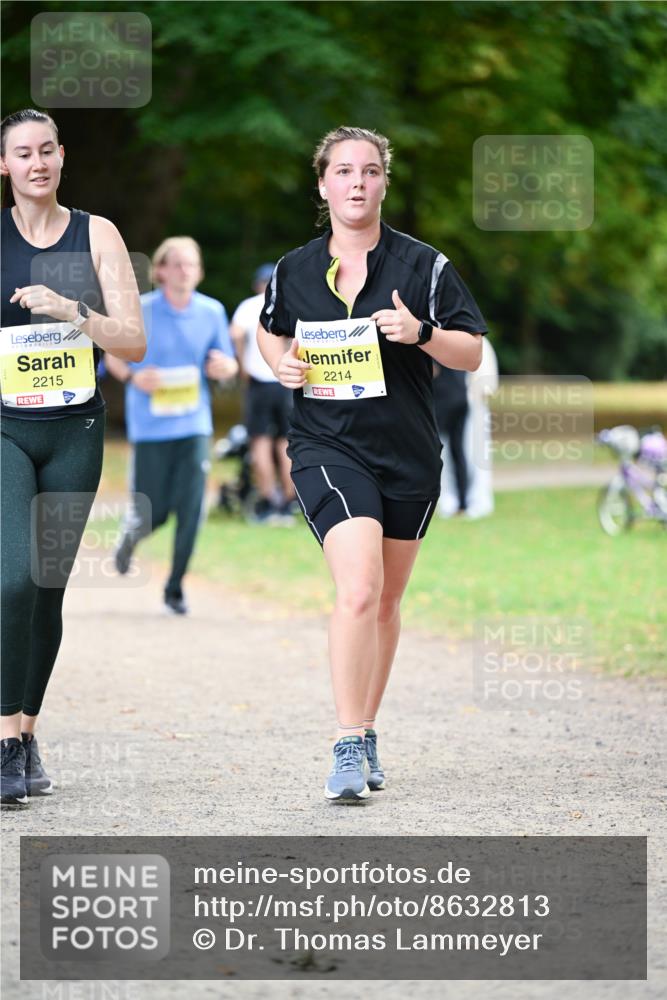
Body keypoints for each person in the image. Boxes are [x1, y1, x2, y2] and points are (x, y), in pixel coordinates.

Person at [257, 126, 487, 801]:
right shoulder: (295, 269)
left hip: (408, 454)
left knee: (385, 601)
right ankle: (347, 741)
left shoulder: (424, 266)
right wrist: (283, 365)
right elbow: (270, 332)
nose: (356, 182)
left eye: (369, 171)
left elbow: (471, 351)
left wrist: (421, 332)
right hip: (326, 446)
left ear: (384, 182)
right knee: (358, 588)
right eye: (343, 171)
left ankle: (366, 726)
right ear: (322, 184)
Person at [0, 108, 146, 806]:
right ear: (4, 165)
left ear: (63, 156)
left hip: (75, 431)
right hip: (5, 428)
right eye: (23, 153)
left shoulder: (98, 234)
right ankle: (4, 739)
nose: (37, 163)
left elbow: (134, 343)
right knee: (12, 580)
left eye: (47, 150)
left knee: (48, 587)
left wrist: (72, 311)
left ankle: (26, 735)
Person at [106, 236, 238, 615]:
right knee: (155, 512)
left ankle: (175, 588)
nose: (185, 271)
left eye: (191, 264)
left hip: (194, 425)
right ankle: (131, 536)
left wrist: (224, 368)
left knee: (191, 510)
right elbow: (113, 357)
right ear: (160, 270)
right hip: (150, 427)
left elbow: (228, 362)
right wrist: (134, 377)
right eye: (177, 264)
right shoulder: (142, 309)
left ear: (200, 271)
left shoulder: (211, 311)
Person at [230, 264, 296, 523]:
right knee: (286, 442)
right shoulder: (289, 302)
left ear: (257, 284)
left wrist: (243, 364)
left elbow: (235, 333)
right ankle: (289, 501)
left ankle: (268, 499)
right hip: (285, 380)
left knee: (260, 441)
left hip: (259, 381)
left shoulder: (248, 306)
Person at [438, 337, 499, 518]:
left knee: (476, 455)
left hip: (475, 407)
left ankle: (478, 500)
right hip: (456, 407)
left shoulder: (480, 343)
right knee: (453, 455)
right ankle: (455, 499)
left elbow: (488, 384)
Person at [432, 364, 469, 515]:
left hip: (443, 398)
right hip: (461, 396)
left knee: (431, 451)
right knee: (458, 451)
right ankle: (462, 503)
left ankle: (433, 500)